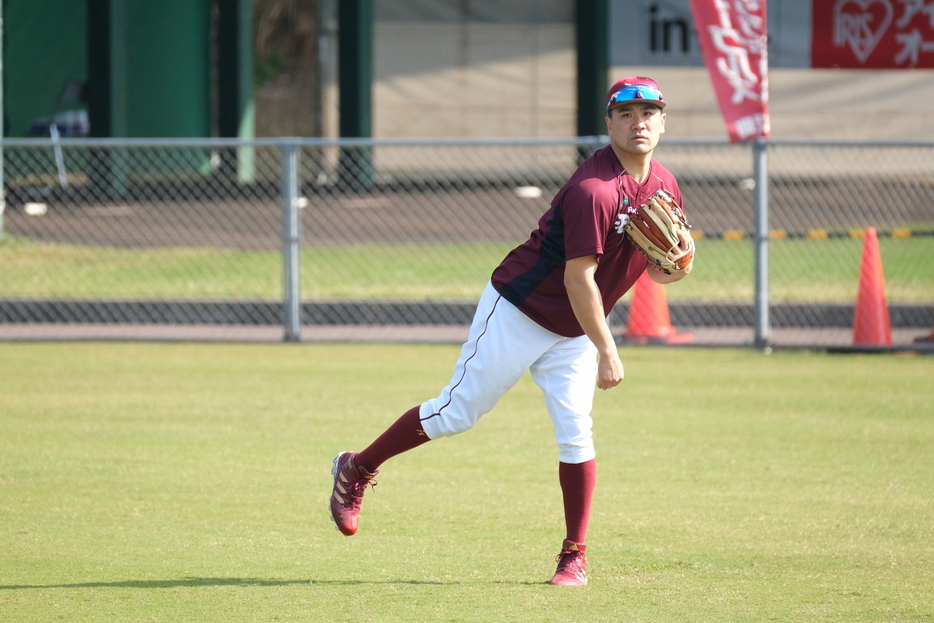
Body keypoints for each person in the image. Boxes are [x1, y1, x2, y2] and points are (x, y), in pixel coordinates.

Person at [328, 76, 693, 586]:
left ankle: (574, 556)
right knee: (456, 413)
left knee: (576, 431)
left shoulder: (666, 184)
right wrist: (608, 348)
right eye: (627, 114)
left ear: (663, 121)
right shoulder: (593, 189)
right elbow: (577, 277)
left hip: (574, 327)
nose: (640, 123)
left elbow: (656, 270)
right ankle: (357, 467)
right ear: (609, 123)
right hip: (521, 310)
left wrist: (676, 267)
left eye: (650, 112)